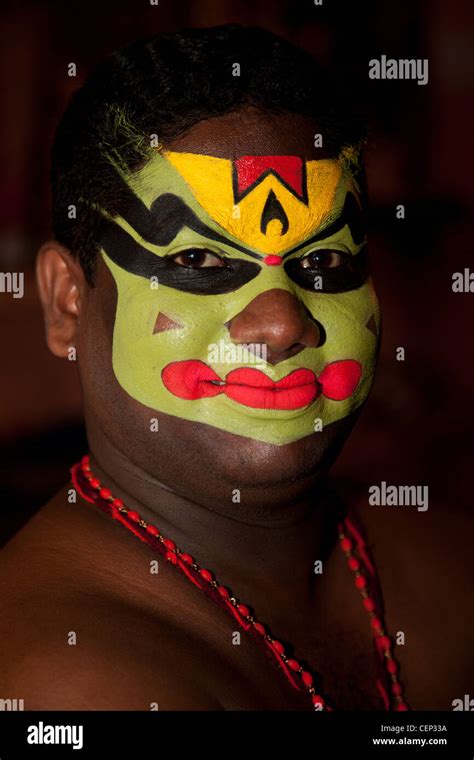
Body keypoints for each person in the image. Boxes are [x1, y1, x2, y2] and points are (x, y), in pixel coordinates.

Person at [0, 25, 472, 711]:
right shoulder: (64, 683)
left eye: (325, 262)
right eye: (199, 262)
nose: (281, 323)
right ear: (67, 301)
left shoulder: (450, 564)